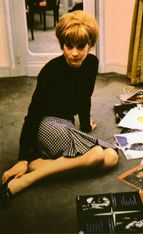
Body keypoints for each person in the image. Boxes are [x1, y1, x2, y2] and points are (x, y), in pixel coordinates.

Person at [0, 10, 119, 207]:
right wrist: (22, 157)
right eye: (68, 46)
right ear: (62, 44)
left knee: (111, 158)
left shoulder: (91, 64)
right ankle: (27, 180)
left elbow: (84, 98)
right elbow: (33, 115)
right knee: (97, 154)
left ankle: (38, 166)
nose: (74, 53)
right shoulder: (50, 71)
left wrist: (85, 125)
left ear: (90, 45)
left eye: (81, 46)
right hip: (46, 125)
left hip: (67, 124)